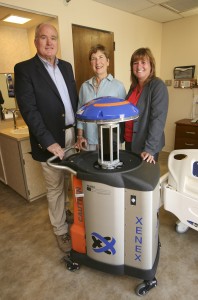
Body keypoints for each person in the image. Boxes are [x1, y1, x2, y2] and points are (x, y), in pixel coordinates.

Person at [14, 23, 78, 253]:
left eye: (53, 38)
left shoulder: (67, 67)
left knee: (73, 183)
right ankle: (60, 229)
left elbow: (73, 101)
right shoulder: (25, 69)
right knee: (55, 187)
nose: (49, 42)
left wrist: (78, 131)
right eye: (44, 37)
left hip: (71, 134)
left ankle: (67, 212)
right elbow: (29, 110)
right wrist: (48, 141)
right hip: (50, 140)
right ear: (36, 41)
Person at [121, 47, 168, 164]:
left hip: (146, 146)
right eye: (135, 63)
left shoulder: (157, 86)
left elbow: (158, 119)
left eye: (143, 62)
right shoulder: (134, 87)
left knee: (144, 180)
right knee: (132, 177)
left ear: (151, 65)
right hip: (130, 141)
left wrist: (150, 149)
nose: (139, 66)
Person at [76, 44, 126, 150]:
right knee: (89, 166)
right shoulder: (84, 87)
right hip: (89, 140)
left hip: (111, 140)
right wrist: (80, 136)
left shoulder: (118, 86)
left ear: (108, 61)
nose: (97, 62)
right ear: (91, 63)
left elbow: (124, 116)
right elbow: (80, 113)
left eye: (101, 57)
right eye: (93, 59)